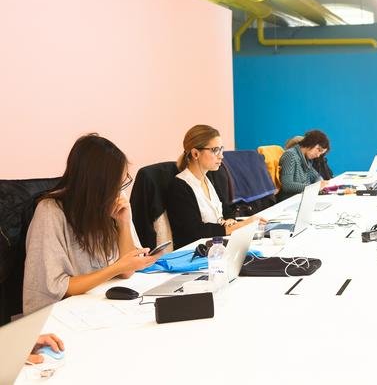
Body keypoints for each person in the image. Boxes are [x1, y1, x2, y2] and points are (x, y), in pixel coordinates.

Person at [23, 134, 160, 314]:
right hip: (64, 314)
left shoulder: (114, 203)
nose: (119, 191)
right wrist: (116, 268)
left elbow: (127, 271)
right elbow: (58, 287)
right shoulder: (50, 212)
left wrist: (124, 223)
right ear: (96, 184)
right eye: (115, 185)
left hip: (100, 304)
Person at [166, 125, 265, 249]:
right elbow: (195, 232)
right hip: (197, 253)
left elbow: (225, 210)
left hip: (218, 246)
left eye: (221, 149)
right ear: (195, 153)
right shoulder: (179, 186)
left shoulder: (210, 178)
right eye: (215, 150)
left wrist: (230, 220)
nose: (221, 156)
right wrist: (241, 225)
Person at [279, 129, 330, 200]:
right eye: (318, 149)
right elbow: (287, 185)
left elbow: (317, 176)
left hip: (303, 197)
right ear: (311, 142)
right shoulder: (290, 155)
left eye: (321, 153)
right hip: (290, 200)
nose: (318, 155)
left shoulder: (306, 159)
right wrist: (313, 187)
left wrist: (320, 184)